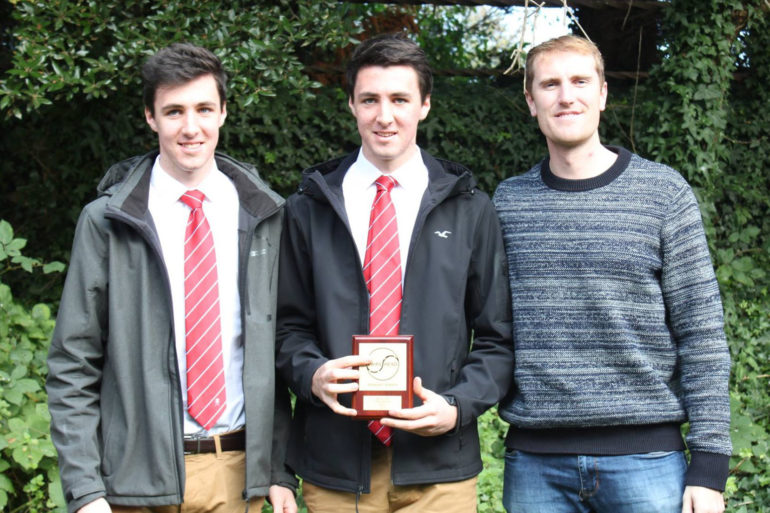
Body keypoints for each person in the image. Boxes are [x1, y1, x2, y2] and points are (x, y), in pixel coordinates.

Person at [46, 43, 296, 513]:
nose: (190, 127)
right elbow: (72, 363)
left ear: (223, 112)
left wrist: (278, 470)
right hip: (131, 482)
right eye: (174, 111)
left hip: (237, 474)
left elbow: (278, 351)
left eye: (204, 108)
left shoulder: (265, 217)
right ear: (150, 117)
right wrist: (85, 490)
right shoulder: (107, 221)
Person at [275, 33, 514, 512]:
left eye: (400, 99)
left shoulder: (469, 210)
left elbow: (497, 338)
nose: (385, 116)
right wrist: (313, 375)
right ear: (351, 105)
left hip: (438, 470)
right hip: (336, 466)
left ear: (424, 105)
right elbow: (285, 328)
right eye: (370, 100)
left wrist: (456, 407)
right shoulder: (309, 209)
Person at [493, 35, 732, 513]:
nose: (566, 96)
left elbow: (701, 333)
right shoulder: (506, 203)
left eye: (580, 81)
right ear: (530, 100)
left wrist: (709, 466)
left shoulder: (662, 192)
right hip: (536, 464)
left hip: (648, 461)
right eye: (550, 84)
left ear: (602, 94)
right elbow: (488, 331)